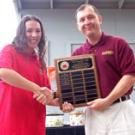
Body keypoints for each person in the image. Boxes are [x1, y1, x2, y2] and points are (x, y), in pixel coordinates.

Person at [62, 3, 135, 135]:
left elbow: (130, 76)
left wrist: (107, 100)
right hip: (93, 113)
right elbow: (73, 89)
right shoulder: (77, 55)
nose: (87, 22)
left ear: (99, 19)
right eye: (82, 20)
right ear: (78, 26)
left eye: (90, 17)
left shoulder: (118, 44)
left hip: (121, 110)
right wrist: (66, 102)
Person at [0, 15, 59, 135]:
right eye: (29, 31)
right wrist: (37, 89)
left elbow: (47, 95)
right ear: (21, 33)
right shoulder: (9, 50)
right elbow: (4, 73)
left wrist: (65, 102)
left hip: (36, 127)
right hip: (11, 125)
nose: (34, 35)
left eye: (38, 31)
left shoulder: (40, 62)